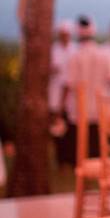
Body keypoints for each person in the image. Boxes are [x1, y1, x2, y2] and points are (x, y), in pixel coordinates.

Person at [59, 16, 110, 165]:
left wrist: (60, 107)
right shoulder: (104, 54)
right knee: (96, 144)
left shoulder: (74, 55)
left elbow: (68, 84)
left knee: (79, 144)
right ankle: (97, 166)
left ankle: (81, 167)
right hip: (98, 107)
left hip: (79, 108)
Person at [49, 20, 77, 166]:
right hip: (55, 94)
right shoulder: (53, 50)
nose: (65, 36)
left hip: (72, 97)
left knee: (71, 128)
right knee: (57, 128)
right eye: (62, 34)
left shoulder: (75, 49)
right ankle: (60, 160)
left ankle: (71, 159)